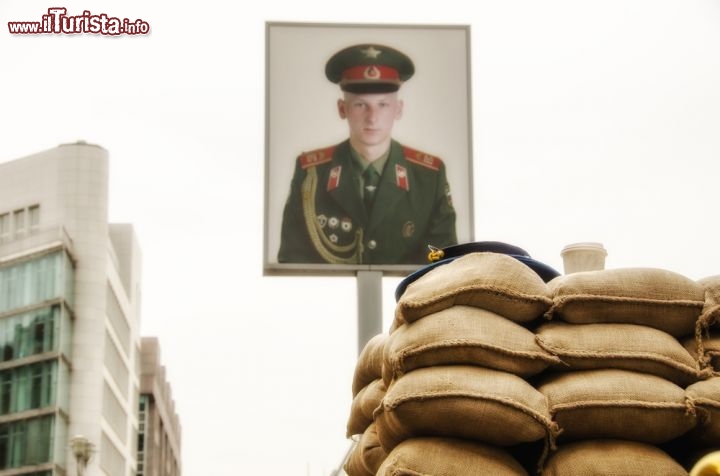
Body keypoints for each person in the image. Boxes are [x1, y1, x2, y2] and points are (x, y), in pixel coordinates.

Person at [278, 43, 457, 265]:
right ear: (342, 109)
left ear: (398, 109)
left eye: (383, 105)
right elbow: (292, 261)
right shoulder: (311, 173)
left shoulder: (429, 176)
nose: (372, 118)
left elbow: (445, 267)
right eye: (361, 105)